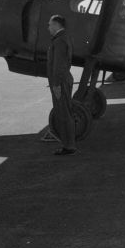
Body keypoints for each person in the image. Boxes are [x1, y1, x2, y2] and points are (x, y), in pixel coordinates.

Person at [47, 14, 77, 156]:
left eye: (50, 25)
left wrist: (57, 85)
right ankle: (68, 144)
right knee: (64, 112)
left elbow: (58, 65)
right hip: (63, 80)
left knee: (63, 114)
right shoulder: (62, 38)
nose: (48, 28)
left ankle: (69, 146)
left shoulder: (59, 41)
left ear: (57, 25)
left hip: (61, 82)